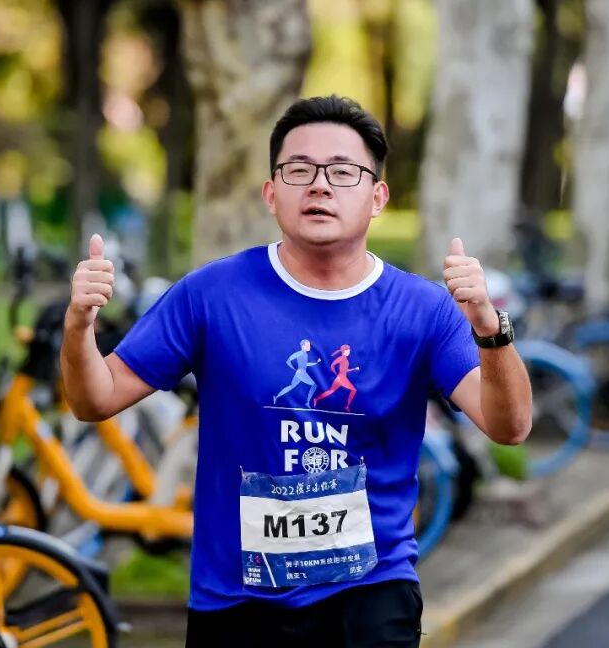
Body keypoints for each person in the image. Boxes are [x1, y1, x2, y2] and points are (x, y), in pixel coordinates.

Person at [61, 95, 533, 647]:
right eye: (299, 170)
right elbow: (95, 399)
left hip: (371, 593)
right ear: (271, 193)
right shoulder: (211, 296)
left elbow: (509, 425)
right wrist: (78, 328)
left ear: (377, 197)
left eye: (343, 171)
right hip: (236, 601)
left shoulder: (422, 309)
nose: (320, 185)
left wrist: (489, 330)